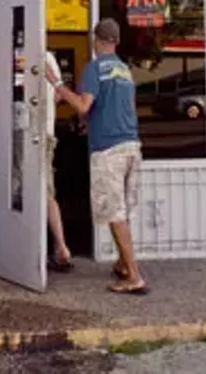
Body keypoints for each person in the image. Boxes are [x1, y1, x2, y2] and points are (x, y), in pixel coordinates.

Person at [53, 18, 147, 295]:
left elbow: (83, 106)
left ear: (97, 40)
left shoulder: (94, 69)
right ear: (115, 42)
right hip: (132, 145)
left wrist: (59, 87)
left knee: (114, 213)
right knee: (124, 211)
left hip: (108, 150)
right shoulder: (124, 70)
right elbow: (126, 107)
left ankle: (134, 276)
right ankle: (122, 264)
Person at [43, 51, 74, 273]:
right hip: (46, 134)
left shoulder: (15, 55)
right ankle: (60, 247)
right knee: (46, 192)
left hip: (22, 133)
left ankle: (60, 248)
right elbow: (58, 95)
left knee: (21, 192)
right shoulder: (49, 57)